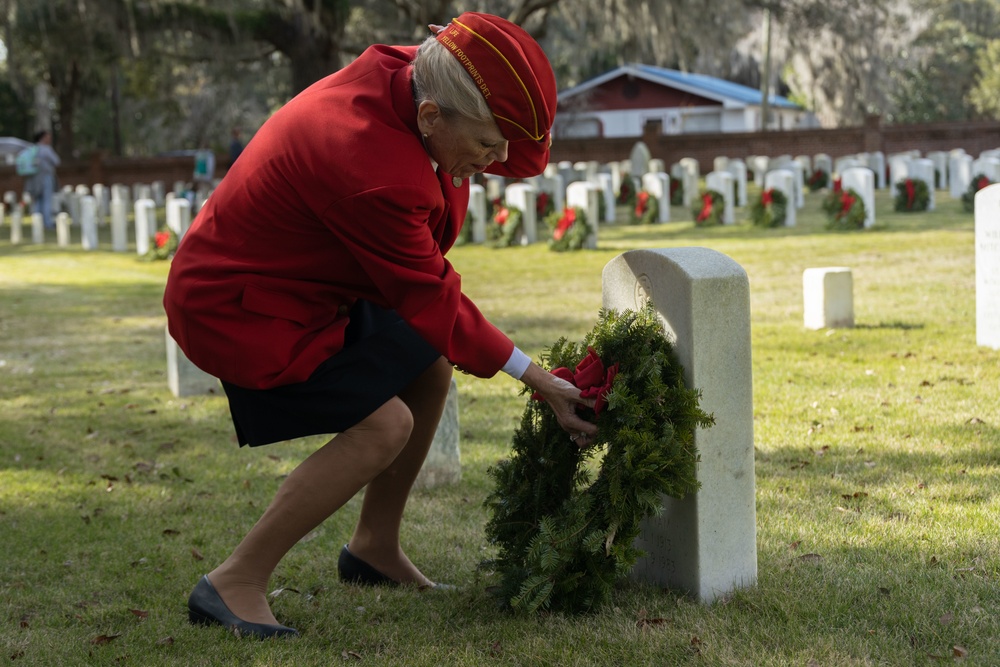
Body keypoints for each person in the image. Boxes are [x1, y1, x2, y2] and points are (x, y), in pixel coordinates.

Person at [164, 12, 597, 639]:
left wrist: (480, 144)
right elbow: (432, 297)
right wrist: (540, 380)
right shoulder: (370, 165)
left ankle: (374, 548)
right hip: (242, 308)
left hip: (308, 283)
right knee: (383, 424)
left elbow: (431, 304)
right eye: (486, 145)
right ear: (430, 118)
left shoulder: (426, 74)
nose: (498, 161)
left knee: (429, 366)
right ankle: (234, 580)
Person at [23, 130, 60, 229]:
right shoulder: (46, 149)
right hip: (46, 177)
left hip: (34, 178)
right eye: (48, 137)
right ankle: (47, 223)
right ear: (43, 138)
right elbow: (56, 161)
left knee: (38, 200)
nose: (49, 139)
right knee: (47, 200)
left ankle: (37, 223)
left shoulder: (32, 149)